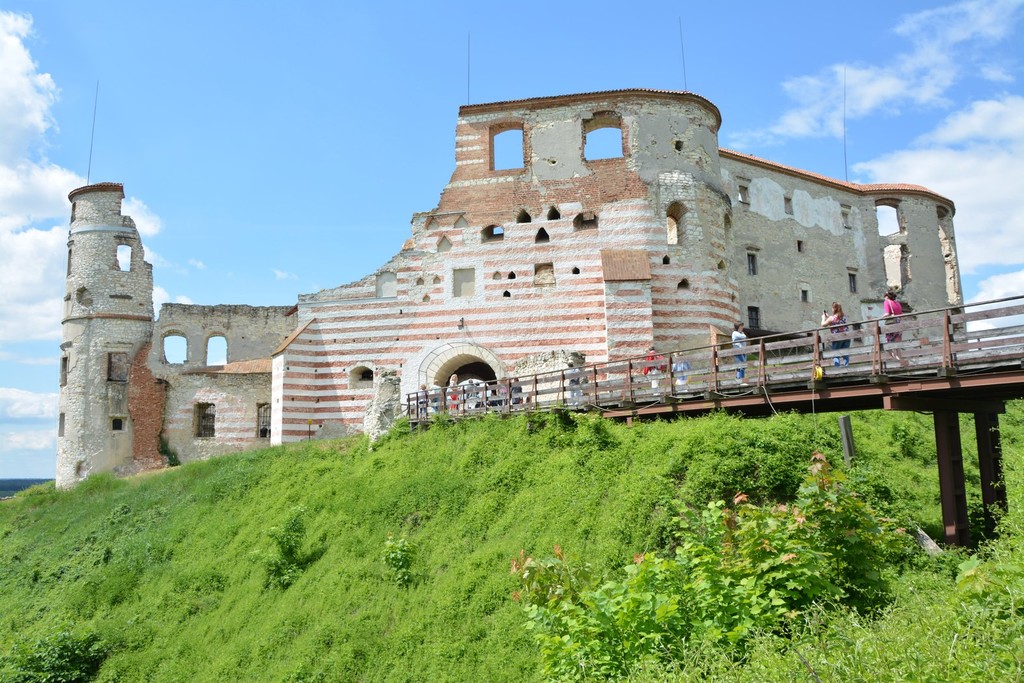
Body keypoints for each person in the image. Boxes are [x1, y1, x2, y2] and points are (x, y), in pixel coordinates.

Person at [823, 302, 850, 367]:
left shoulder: (832, 318)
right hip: (846, 336)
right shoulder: (844, 316)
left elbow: (823, 324)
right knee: (845, 354)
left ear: (834, 309)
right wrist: (828, 317)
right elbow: (837, 322)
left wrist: (823, 318)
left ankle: (838, 368)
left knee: (835, 354)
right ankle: (846, 368)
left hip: (837, 338)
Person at [883, 291, 904, 360]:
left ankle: (894, 359)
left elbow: (887, 313)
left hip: (891, 324)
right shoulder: (898, 303)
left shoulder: (887, 302)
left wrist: (881, 317)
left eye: (885, 297)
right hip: (898, 323)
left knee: (888, 345)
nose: (884, 298)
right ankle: (899, 360)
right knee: (897, 344)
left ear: (887, 296)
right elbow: (900, 314)